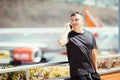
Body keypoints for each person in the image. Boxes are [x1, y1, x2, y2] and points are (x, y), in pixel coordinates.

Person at [58, 11, 101, 80]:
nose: (74, 22)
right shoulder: (69, 36)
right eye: (72, 20)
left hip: (92, 73)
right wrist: (67, 29)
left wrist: (96, 71)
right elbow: (61, 42)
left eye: (76, 20)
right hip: (78, 75)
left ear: (82, 21)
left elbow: (93, 53)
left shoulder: (90, 35)